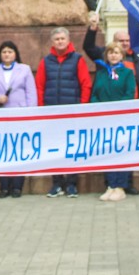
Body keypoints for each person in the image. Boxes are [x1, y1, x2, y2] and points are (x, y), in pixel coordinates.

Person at [37, 27, 93, 197]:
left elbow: (86, 84)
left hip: (72, 112)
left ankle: (71, 184)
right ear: (52, 42)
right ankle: (57, 183)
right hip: (52, 112)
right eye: (57, 39)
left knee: (72, 147)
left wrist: (82, 106)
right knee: (54, 147)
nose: (60, 41)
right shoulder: (45, 61)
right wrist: (41, 108)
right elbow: (40, 86)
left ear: (68, 41)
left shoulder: (77, 60)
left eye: (62, 38)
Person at [0, 40, 37, 198]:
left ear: (15, 54)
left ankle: (18, 186)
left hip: (19, 116)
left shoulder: (24, 70)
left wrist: (30, 114)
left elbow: (31, 93)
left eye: (10, 52)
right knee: (2, 150)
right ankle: (4, 186)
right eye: (4, 52)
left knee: (19, 150)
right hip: (0, 116)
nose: (7, 54)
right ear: (0, 54)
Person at [90, 43, 137, 201]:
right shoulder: (102, 73)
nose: (113, 55)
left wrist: (116, 108)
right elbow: (95, 93)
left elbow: (129, 93)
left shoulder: (127, 73)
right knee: (108, 152)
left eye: (116, 53)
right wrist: (98, 107)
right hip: (104, 119)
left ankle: (120, 186)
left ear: (122, 55)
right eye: (110, 52)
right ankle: (111, 185)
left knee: (121, 151)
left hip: (121, 118)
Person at [84, 11, 139, 89]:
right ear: (114, 41)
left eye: (127, 40)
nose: (125, 43)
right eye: (121, 41)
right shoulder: (103, 54)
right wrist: (93, 29)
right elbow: (88, 47)